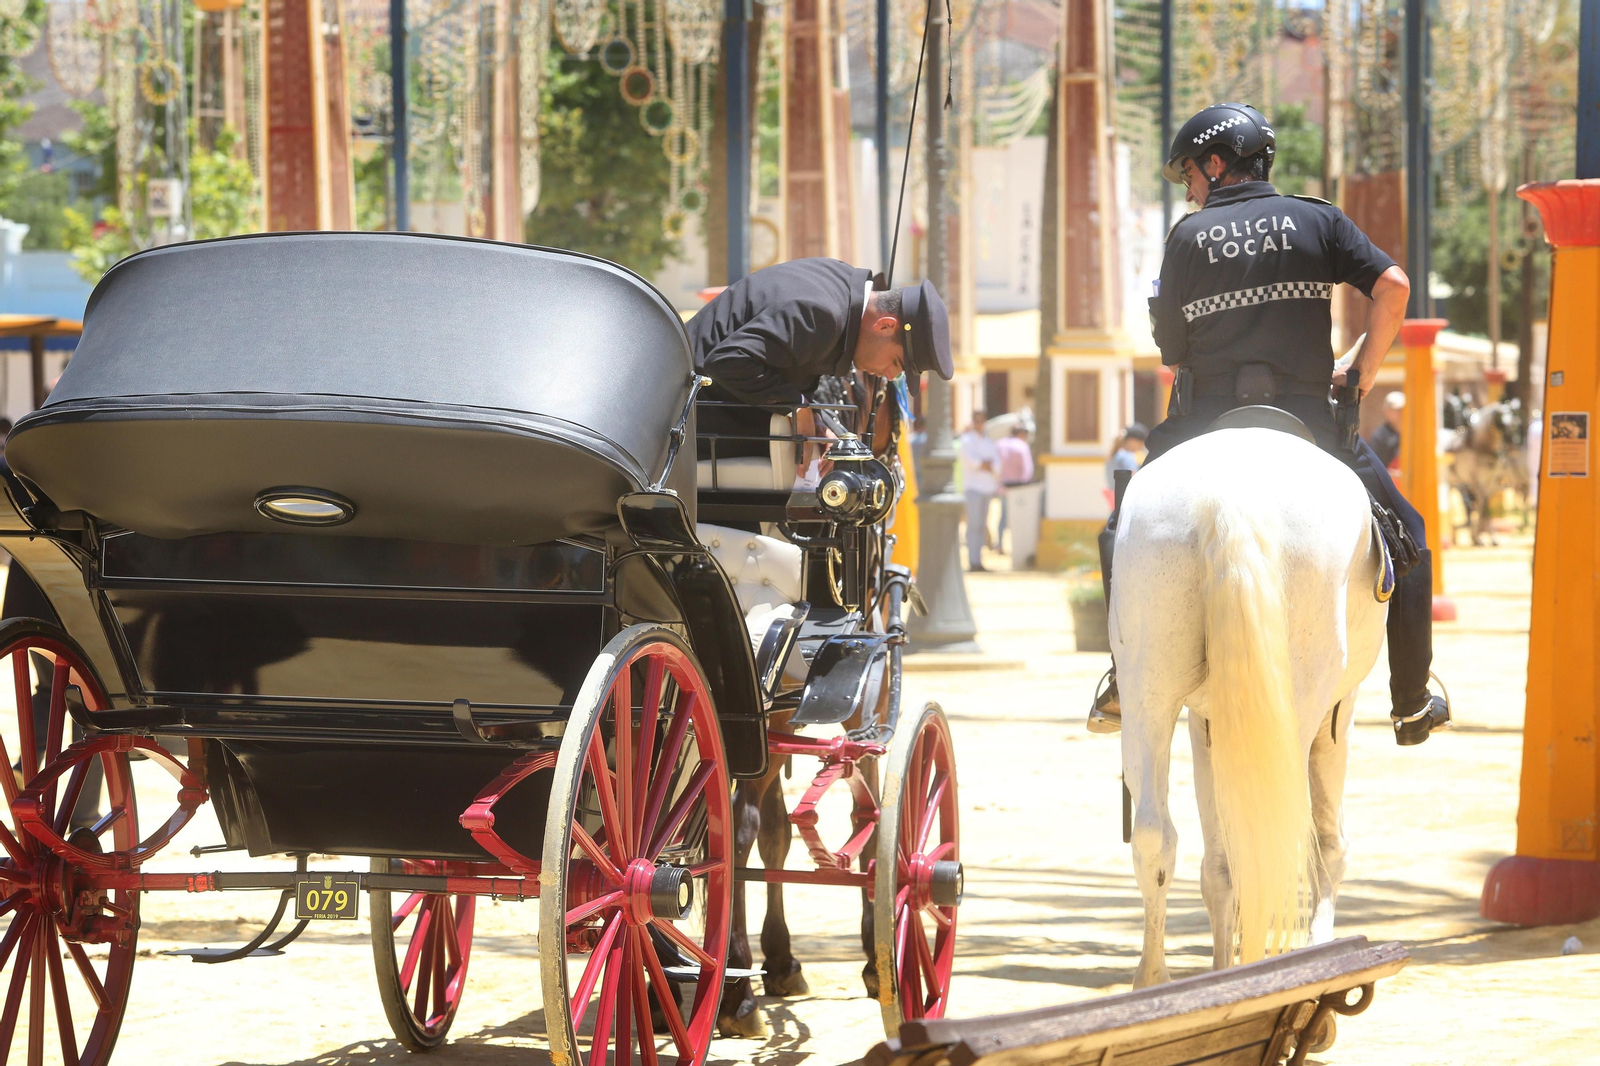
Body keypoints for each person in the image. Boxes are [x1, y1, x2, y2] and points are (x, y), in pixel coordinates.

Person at [1089, 101, 1449, 747]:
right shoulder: (1319, 219)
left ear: (1218, 162)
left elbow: (1172, 350)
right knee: (1407, 534)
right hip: (1309, 414)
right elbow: (1393, 286)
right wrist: (1360, 372)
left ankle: (1123, 678)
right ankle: (1411, 699)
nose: (1192, 190)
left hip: (1204, 418)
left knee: (1125, 528)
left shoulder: (1187, 236)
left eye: (1192, 176)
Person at [688, 259, 953, 472]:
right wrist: (797, 408)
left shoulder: (841, 288)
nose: (891, 374)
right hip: (682, 424)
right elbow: (727, 361)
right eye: (897, 363)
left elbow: (783, 366)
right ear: (885, 325)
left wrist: (818, 420)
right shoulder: (825, 314)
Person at [959, 411, 999, 571]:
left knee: (982, 525)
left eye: (982, 421)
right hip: (973, 487)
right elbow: (971, 462)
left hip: (987, 487)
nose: (979, 424)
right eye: (977, 421)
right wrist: (985, 464)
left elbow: (997, 464)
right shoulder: (967, 440)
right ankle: (972, 560)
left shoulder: (989, 441)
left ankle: (978, 560)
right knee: (973, 525)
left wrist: (985, 465)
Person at [995, 424, 1034, 550]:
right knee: (1019, 518)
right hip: (1018, 488)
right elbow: (1027, 470)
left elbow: (995, 466)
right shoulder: (1022, 446)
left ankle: (1000, 543)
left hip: (1003, 486)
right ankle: (1018, 547)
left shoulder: (999, 444)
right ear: (1022, 434)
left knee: (1003, 517)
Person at [1105, 422, 1148, 488]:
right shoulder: (1127, 457)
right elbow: (1135, 480)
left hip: (1114, 493)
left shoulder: (1115, 454)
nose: (1141, 447)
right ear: (1132, 441)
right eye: (1140, 444)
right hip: (1125, 495)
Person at [1368, 392, 1404, 469]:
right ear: (1387, 411)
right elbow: (1374, 465)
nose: (1401, 413)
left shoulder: (1412, 434)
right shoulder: (1380, 436)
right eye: (1397, 410)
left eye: (1403, 410)